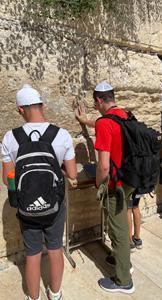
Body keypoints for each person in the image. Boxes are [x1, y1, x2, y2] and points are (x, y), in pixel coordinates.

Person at [1, 84, 77, 300]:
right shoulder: (61, 135)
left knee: (32, 255)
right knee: (55, 249)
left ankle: (33, 297)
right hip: (54, 205)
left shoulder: (10, 138)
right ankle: (55, 293)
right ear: (42, 105)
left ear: (20, 110)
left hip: (27, 209)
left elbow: (8, 180)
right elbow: (71, 173)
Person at [76, 81, 135, 294]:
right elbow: (107, 125)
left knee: (117, 229)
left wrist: (98, 186)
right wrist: (87, 121)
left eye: (95, 102)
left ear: (100, 100)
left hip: (114, 183)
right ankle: (121, 258)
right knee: (119, 223)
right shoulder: (124, 115)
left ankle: (123, 280)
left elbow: (103, 165)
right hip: (129, 179)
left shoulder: (104, 123)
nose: (95, 105)